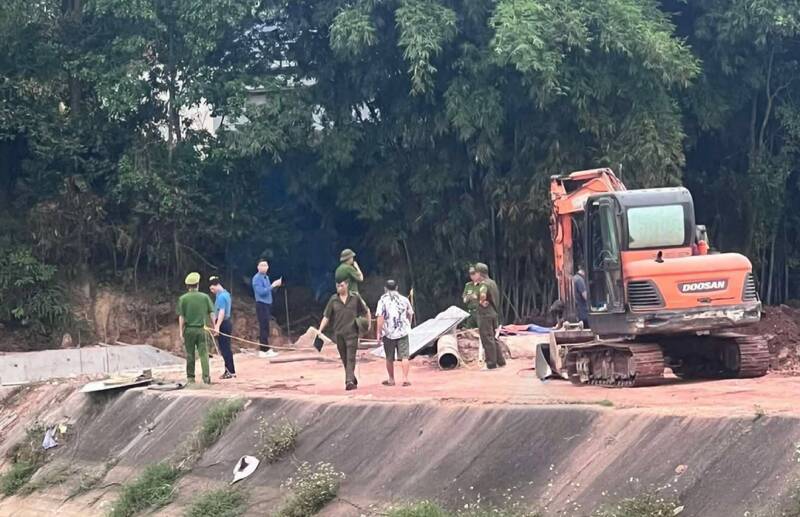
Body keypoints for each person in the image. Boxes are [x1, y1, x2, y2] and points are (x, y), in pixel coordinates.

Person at [318, 280, 370, 391]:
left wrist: (367, 325)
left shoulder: (355, 297)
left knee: (350, 357)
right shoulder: (333, 299)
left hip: (352, 332)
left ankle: (349, 381)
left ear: (347, 285)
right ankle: (351, 376)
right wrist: (320, 330)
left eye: (341, 285)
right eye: (337, 286)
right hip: (339, 333)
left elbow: (366, 311)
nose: (339, 288)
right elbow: (326, 316)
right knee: (344, 358)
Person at [177, 272, 215, 384]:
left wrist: (180, 331)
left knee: (190, 354)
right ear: (197, 284)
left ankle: (190, 378)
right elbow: (212, 313)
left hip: (189, 330)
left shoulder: (183, 299)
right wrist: (215, 326)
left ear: (187, 286)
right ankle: (206, 378)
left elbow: (181, 316)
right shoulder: (204, 297)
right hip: (202, 329)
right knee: (204, 353)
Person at [376, 279, 414, 387]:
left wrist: (378, 333)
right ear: (397, 287)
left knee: (389, 357)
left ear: (385, 289)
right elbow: (410, 313)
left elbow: (380, 317)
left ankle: (391, 379)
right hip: (402, 331)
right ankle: (405, 379)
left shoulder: (382, 301)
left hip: (388, 333)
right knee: (405, 356)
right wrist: (408, 324)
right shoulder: (404, 299)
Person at [475, 262, 506, 370]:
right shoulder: (492, 283)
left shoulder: (483, 285)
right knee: (493, 337)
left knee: (487, 339)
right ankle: (500, 361)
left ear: (480, 273)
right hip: (493, 313)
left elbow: (482, 298)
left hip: (485, 314)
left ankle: (491, 363)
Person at [252, 260, 282, 358]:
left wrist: (275, 286)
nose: (264, 267)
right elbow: (261, 292)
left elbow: (269, 291)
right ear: (258, 267)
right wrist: (272, 285)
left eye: (266, 265)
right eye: (262, 265)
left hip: (268, 303)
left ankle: (267, 348)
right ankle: (263, 350)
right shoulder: (256, 278)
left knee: (267, 326)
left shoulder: (266, 277)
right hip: (261, 304)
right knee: (263, 326)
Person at [209, 276, 235, 379]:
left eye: (212, 288)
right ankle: (229, 370)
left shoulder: (221, 297)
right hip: (225, 322)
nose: (212, 291)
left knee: (225, 349)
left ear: (216, 285)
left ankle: (230, 371)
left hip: (223, 323)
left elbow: (222, 312)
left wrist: (217, 327)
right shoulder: (225, 294)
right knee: (226, 348)